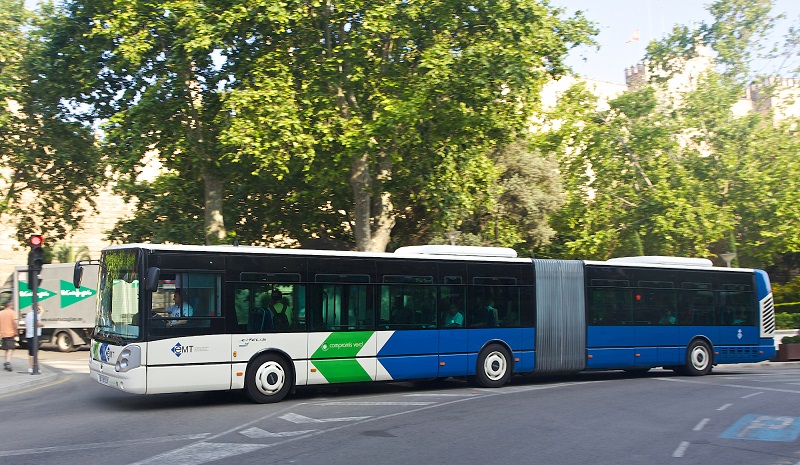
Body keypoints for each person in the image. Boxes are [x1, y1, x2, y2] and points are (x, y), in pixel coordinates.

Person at [25, 305, 44, 374]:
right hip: (35, 335)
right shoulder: (36, 315)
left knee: (31, 353)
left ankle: (30, 367)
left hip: (29, 334)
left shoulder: (28, 314)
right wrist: (42, 324)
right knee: (35, 353)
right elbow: (37, 323)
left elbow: (26, 324)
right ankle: (35, 367)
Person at [0, 300, 18, 371]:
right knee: (10, 349)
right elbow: (15, 323)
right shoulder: (12, 313)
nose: (13, 306)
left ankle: (6, 362)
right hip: (10, 333)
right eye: (12, 305)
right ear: (10, 305)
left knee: (7, 348)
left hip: (3, 333)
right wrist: (16, 331)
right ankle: (8, 362)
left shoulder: (1, 313)